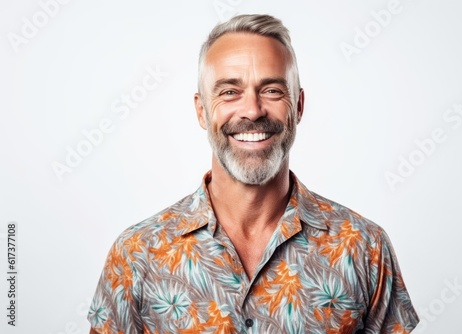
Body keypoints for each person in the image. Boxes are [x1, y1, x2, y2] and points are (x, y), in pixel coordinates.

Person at [88, 14, 419, 333]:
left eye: (272, 90)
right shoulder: (137, 253)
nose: (252, 110)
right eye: (230, 91)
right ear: (202, 110)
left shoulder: (363, 247)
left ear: (298, 107)